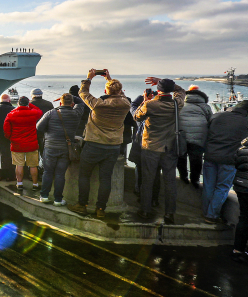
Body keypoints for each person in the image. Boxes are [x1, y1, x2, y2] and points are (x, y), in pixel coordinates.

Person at [69, 70, 131, 218]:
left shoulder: (98, 104)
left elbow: (82, 93)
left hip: (94, 144)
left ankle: (82, 205)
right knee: (106, 179)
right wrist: (109, 79)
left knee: (84, 176)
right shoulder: (126, 104)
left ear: (106, 91)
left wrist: (88, 78)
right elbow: (120, 94)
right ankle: (100, 209)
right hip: (113, 146)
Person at [133, 78, 186, 223]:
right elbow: (181, 91)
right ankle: (169, 213)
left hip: (151, 147)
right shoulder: (178, 103)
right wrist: (161, 81)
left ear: (159, 89)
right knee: (170, 182)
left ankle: (145, 210)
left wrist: (144, 100)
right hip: (170, 147)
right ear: (171, 89)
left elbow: (136, 117)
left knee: (148, 180)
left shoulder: (151, 104)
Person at [202, 100, 248, 223]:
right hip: (229, 159)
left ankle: (206, 211)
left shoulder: (216, 116)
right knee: (222, 187)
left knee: (208, 186)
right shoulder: (245, 121)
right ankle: (211, 215)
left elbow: (206, 133)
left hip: (210, 156)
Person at [36, 93, 83, 206]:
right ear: (72, 103)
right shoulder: (76, 113)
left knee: (47, 172)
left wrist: (49, 131)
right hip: (66, 148)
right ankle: (58, 199)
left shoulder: (51, 113)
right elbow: (81, 102)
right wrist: (73, 96)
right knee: (60, 174)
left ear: (60, 102)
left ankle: (44, 196)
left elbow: (38, 127)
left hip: (50, 147)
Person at [3, 96, 43, 194]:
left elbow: (6, 130)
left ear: (18, 103)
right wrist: (29, 104)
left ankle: (19, 184)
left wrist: (11, 138)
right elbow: (39, 111)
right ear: (27, 103)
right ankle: (35, 184)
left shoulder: (11, 114)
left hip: (17, 144)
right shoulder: (33, 113)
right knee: (33, 166)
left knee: (19, 165)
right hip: (31, 143)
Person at [178, 85, 212, 188]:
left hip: (181, 135)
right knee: (196, 159)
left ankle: (183, 176)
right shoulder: (205, 106)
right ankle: (195, 180)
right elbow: (210, 121)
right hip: (199, 137)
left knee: (181, 157)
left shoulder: (181, 104)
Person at [0, 93, 16, 181]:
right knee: (9, 154)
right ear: (9, 101)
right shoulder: (13, 109)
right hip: (10, 135)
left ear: (0, 101)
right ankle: (10, 175)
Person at [231, 137, 248, 263]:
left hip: (241, 186)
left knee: (243, 217)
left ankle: (237, 250)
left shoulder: (241, 149)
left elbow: (236, 163)